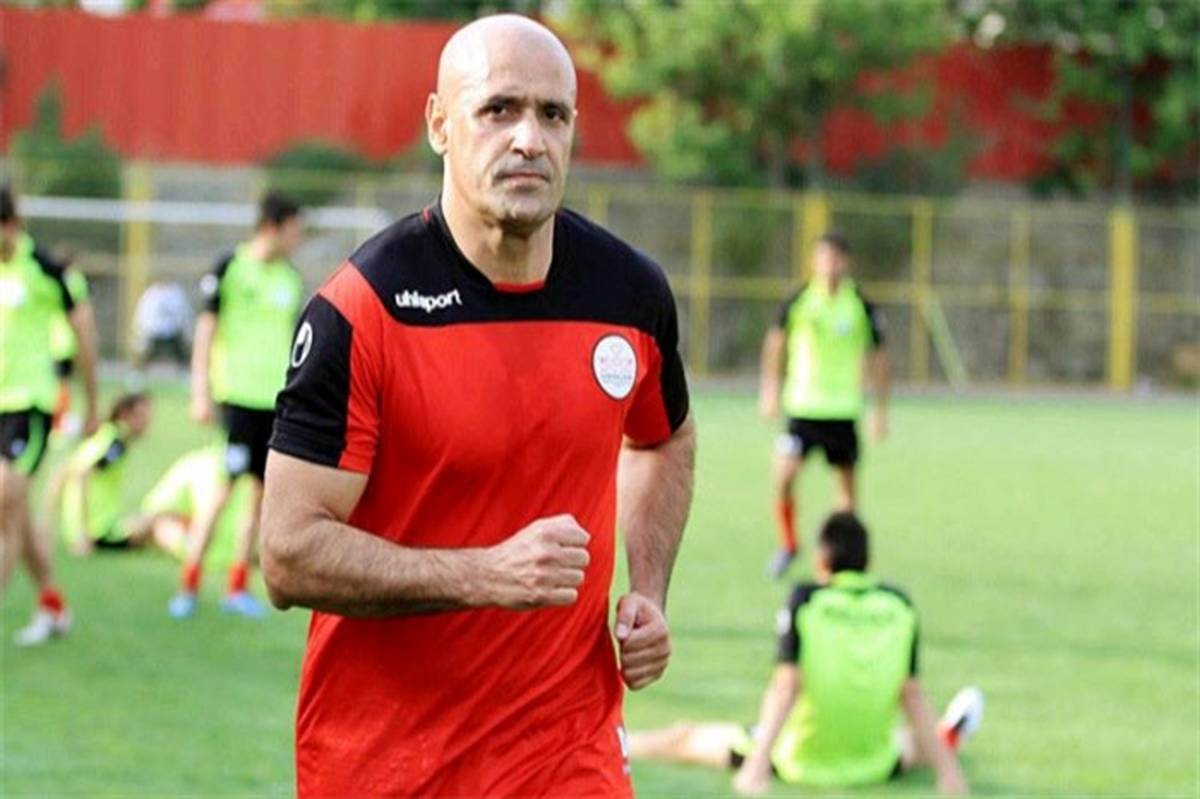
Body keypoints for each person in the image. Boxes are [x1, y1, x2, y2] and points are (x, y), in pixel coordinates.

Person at [259, 15, 695, 798]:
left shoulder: (629, 293)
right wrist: (485, 572)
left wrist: (649, 591)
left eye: (553, 114)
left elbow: (663, 437)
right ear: (439, 125)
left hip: (567, 751)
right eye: (499, 109)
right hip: (387, 762)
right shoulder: (362, 310)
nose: (529, 139)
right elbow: (288, 553)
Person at [628, 513, 981, 796]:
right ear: (868, 561)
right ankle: (948, 737)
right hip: (873, 764)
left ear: (821, 561)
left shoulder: (808, 600)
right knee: (906, 741)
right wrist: (949, 775)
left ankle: (622, 745)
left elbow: (786, 686)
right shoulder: (899, 605)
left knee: (685, 737)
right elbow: (912, 694)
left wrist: (757, 765)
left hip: (799, 761)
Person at [168, 191, 304, 619]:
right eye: (294, 230)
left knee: (260, 498)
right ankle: (189, 583)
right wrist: (200, 390)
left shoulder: (289, 280)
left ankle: (237, 587)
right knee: (223, 490)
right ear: (273, 227)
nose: (298, 239)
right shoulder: (230, 268)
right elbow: (206, 331)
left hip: (275, 402)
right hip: (238, 399)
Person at [0, 185, 99, 646]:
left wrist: (92, 401)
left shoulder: (43, 268)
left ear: (12, 225)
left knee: (4, 500)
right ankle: (52, 603)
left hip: (28, 405)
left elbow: (84, 331)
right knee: (15, 513)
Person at [758, 232, 889, 578]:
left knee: (846, 496)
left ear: (846, 262)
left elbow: (879, 356)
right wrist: (769, 389)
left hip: (842, 410)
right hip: (803, 407)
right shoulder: (800, 299)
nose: (829, 265)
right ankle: (788, 544)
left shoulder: (860, 304)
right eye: (823, 257)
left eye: (835, 258)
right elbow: (775, 342)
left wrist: (880, 409)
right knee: (783, 476)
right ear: (815, 261)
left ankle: (844, 563)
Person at [52, 393, 156, 554]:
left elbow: (64, 470)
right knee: (156, 524)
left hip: (92, 527)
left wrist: (48, 519)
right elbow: (82, 474)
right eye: (141, 416)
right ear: (124, 414)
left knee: (149, 521)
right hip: (99, 530)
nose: (146, 422)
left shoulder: (105, 435)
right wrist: (83, 533)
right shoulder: (116, 444)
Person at [138, 443, 252, 566]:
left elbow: (155, 512)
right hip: (250, 551)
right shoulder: (257, 467)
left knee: (160, 525)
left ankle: (193, 561)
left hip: (203, 552)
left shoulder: (196, 463)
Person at [46, 251, 95, 434]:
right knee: (62, 384)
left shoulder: (49, 277)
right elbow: (82, 310)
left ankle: (59, 419)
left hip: (53, 340)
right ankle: (58, 420)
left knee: (60, 383)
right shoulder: (75, 279)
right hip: (67, 341)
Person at [132, 280, 193, 369]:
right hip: (154, 333)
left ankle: (187, 369)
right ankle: (138, 370)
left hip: (173, 333)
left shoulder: (176, 293)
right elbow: (143, 315)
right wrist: (141, 332)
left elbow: (184, 314)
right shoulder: (151, 294)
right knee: (145, 355)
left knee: (182, 355)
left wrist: (185, 331)